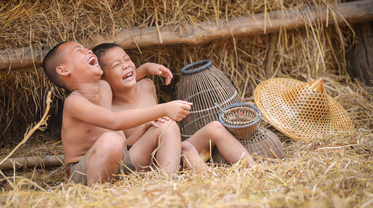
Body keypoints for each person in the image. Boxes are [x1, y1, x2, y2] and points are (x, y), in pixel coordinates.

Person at [42, 41, 192, 186]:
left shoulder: (104, 86)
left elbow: (121, 79)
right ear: (63, 70)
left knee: (166, 125)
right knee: (112, 140)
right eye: (79, 50)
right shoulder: (74, 102)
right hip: (84, 172)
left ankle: (167, 187)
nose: (88, 50)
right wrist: (163, 109)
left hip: (121, 159)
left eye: (86, 48)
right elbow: (114, 121)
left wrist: (145, 69)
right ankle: (95, 200)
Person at [92, 43, 256, 171]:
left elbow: (130, 79)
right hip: (144, 164)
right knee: (169, 131)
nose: (126, 65)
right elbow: (122, 149)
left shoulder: (147, 86)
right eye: (116, 65)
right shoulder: (111, 108)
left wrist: (146, 67)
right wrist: (144, 128)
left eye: (127, 59)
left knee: (215, 128)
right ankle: (169, 182)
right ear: (103, 79)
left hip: (170, 152)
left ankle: (254, 169)